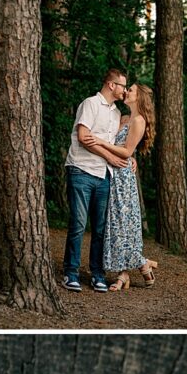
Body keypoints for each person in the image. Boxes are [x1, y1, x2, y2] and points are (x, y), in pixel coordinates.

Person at [62, 68, 132, 293]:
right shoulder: (90, 104)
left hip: (104, 176)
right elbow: (83, 137)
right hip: (82, 170)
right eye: (123, 85)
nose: (125, 90)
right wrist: (110, 156)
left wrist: (130, 158)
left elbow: (116, 144)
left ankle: (97, 274)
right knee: (78, 225)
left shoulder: (115, 113)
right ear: (112, 85)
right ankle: (70, 273)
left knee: (101, 229)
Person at [90, 83, 158, 291]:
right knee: (115, 223)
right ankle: (133, 268)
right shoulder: (125, 118)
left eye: (132, 90)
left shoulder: (139, 121)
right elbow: (123, 146)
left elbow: (127, 151)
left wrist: (99, 142)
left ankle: (137, 265)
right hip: (112, 172)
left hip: (123, 178)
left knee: (124, 223)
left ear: (139, 98)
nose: (127, 91)